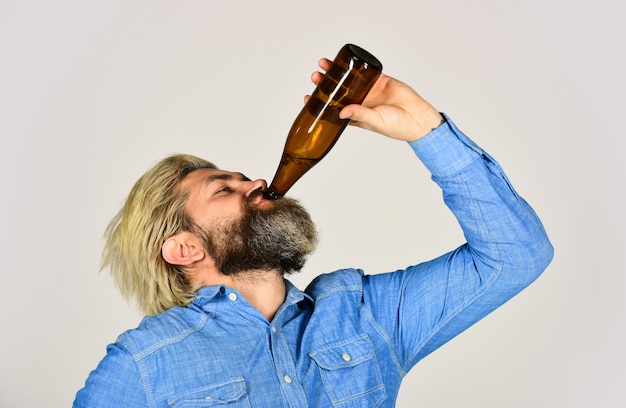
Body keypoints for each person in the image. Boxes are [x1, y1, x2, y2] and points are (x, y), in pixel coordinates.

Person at [73, 56, 554, 407]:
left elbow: (516, 256)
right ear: (184, 247)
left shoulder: (364, 316)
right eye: (224, 189)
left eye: (242, 177)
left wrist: (426, 128)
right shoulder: (144, 363)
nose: (256, 182)